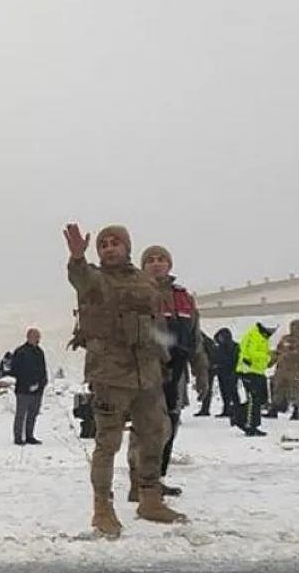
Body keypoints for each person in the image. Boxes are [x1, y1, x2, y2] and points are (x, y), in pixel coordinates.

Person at [64, 222, 185, 539]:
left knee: (153, 435)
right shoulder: (94, 279)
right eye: (103, 244)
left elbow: (156, 323)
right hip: (111, 375)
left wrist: (165, 361)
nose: (109, 248)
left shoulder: (145, 281)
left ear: (127, 247)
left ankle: (149, 499)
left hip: (147, 373)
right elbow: (79, 277)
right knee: (108, 444)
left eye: (115, 243)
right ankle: (102, 508)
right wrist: (77, 258)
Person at [126, 245, 208, 499]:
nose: (156, 263)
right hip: (147, 372)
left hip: (177, 372)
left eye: (161, 259)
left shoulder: (183, 297)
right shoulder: (135, 293)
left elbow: (195, 338)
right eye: (150, 260)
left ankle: (155, 478)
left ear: (169, 265)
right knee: (145, 428)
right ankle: (138, 484)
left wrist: (201, 371)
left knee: (168, 427)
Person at [10, 327, 48, 445]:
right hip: (23, 390)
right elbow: (15, 370)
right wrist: (27, 384)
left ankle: (29, 436)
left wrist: (42, 383)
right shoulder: (20, 351)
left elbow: (43, 369)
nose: (38, 339)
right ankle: (18, 438)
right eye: (36, 337)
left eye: (39, 337)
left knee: (33, 414)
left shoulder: (39, 352)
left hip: (38, 391)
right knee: (21, 414)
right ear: (29, 337)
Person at [268, 319, 299, 421]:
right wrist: (271, 362)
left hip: (295, 371)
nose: (292, 328)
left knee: (294, 391)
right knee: (277, 389)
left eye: (295, 326)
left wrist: (296, 354)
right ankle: (274, 409)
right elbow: (278, 352)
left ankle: (295, 410)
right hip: (281, 369)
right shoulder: (285, 339)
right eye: (291, 326)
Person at [236, 322, 275, 437]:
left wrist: (269, 355)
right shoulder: (253, 336)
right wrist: (267, 355)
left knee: (259, 400)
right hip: (248, 371)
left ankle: (250, 422)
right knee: (253, 400)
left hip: (258, 371)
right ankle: (248, 425)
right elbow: (250, 353)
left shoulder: (262, 338)